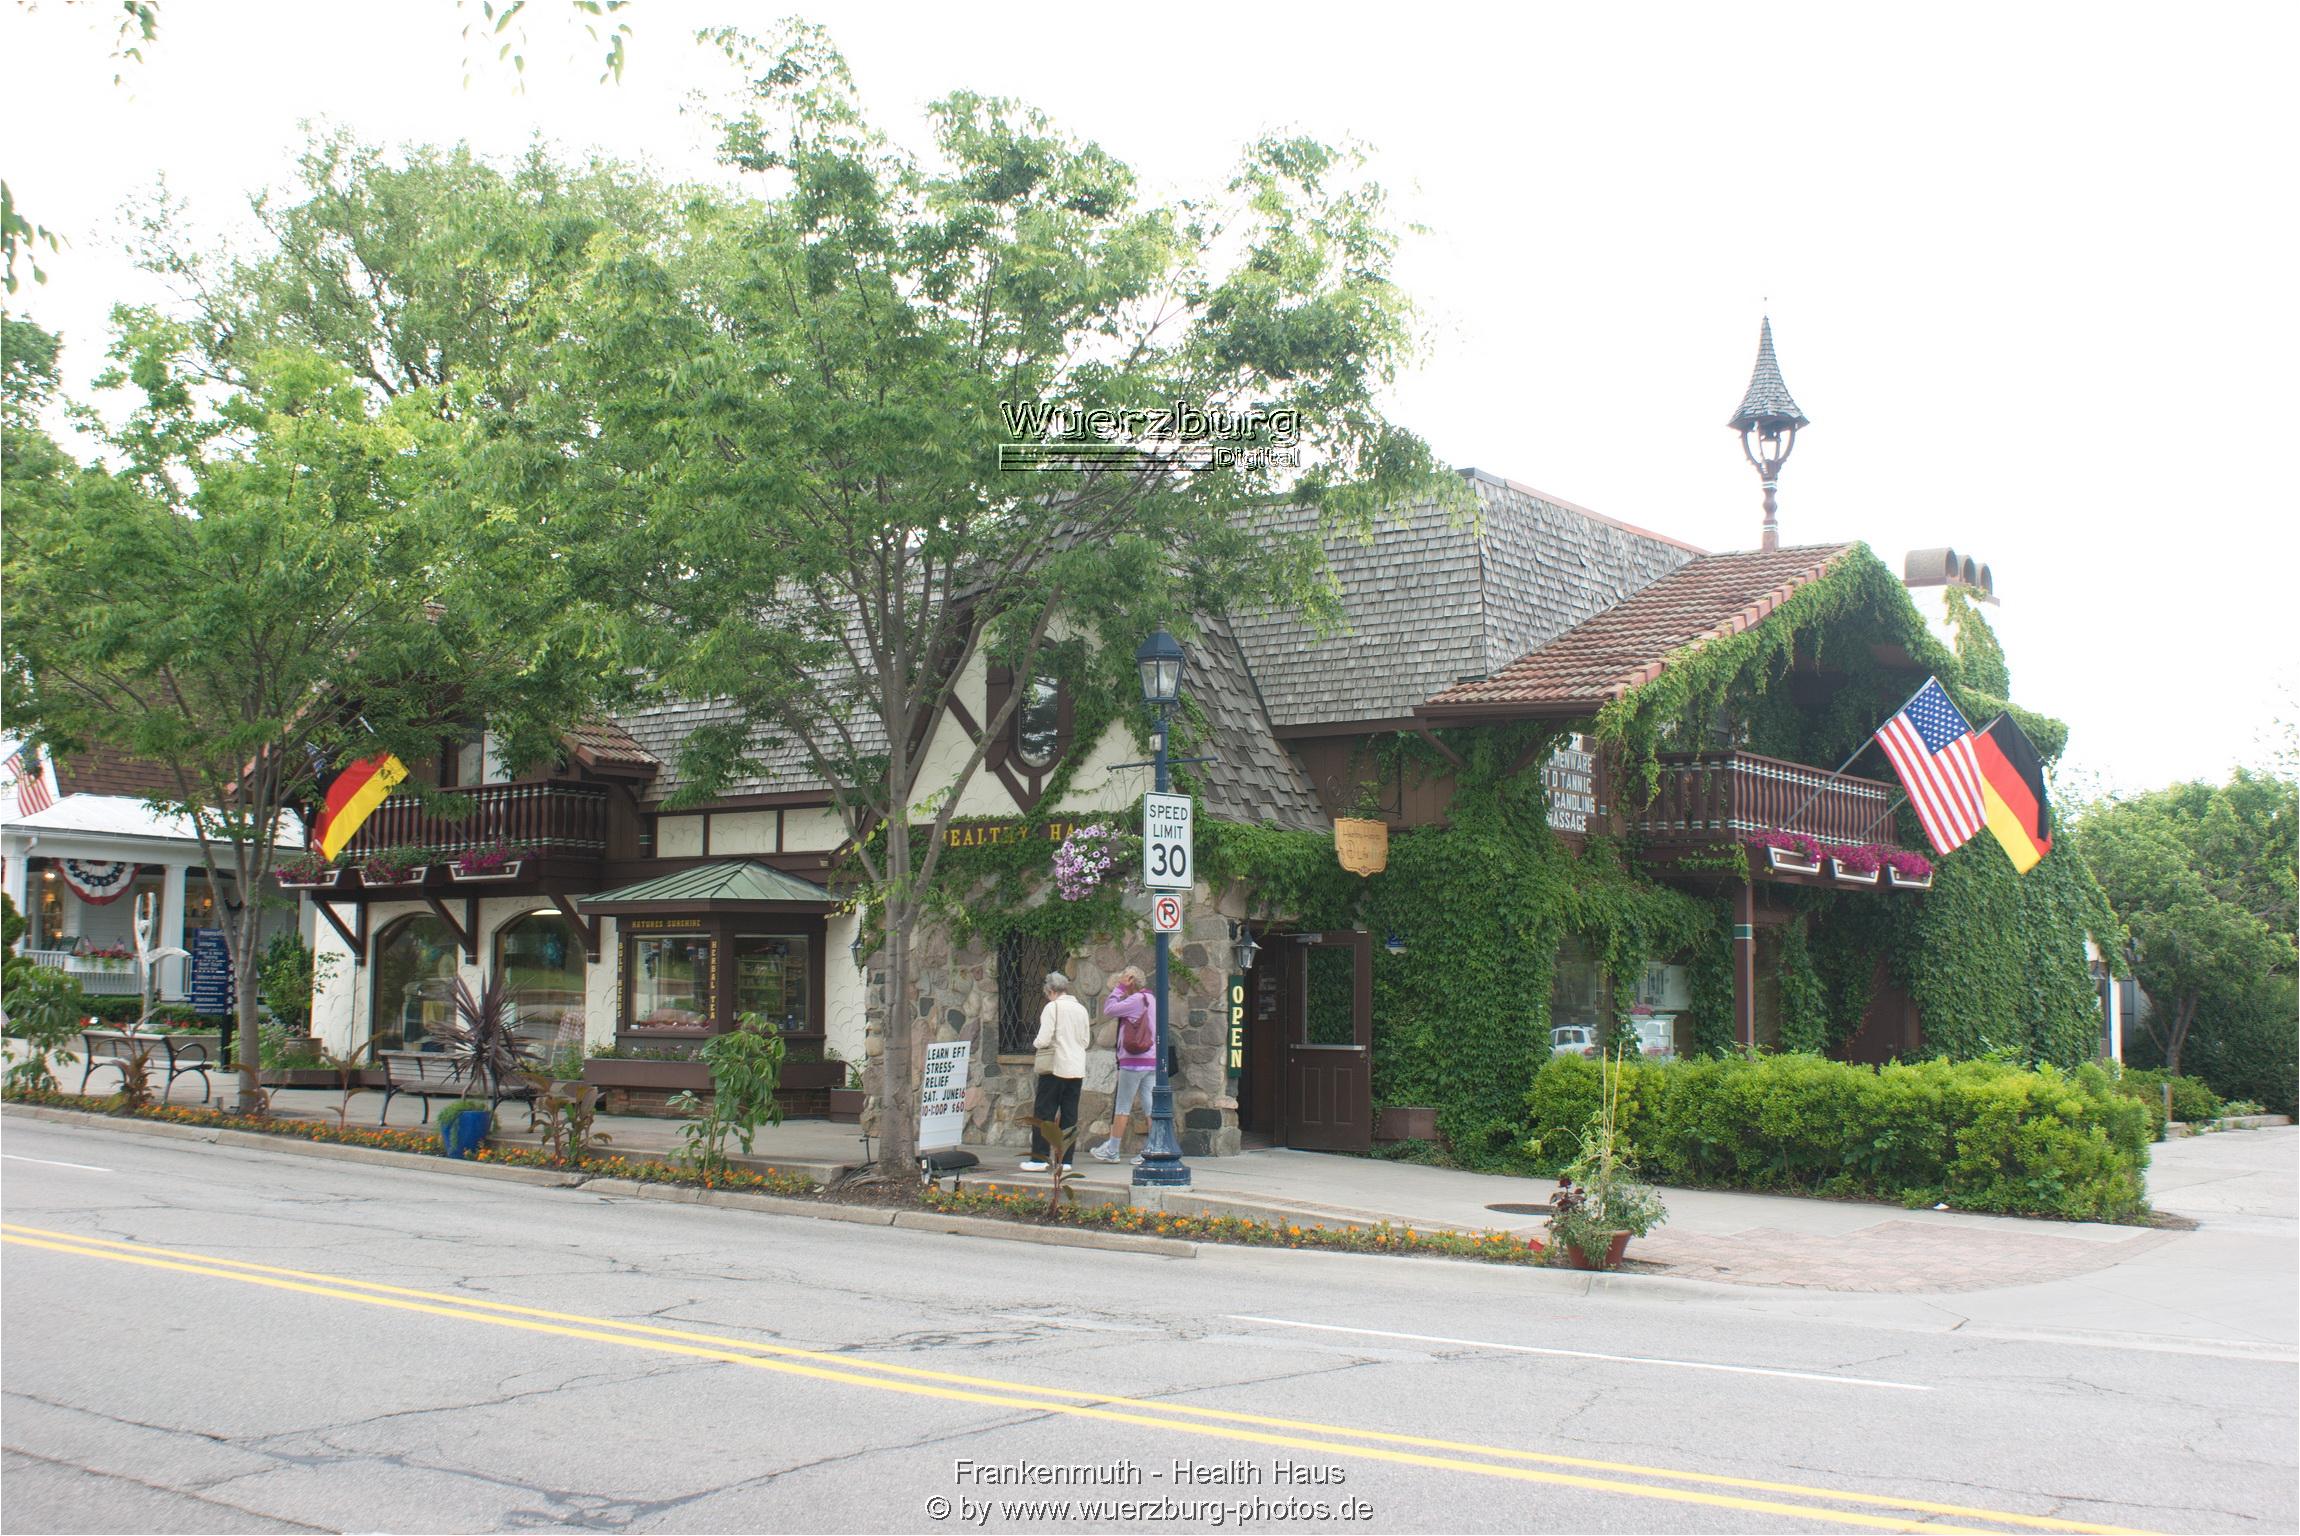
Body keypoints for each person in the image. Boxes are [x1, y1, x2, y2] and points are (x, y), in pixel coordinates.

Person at [1020, 970, 1089, 1172]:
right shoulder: (1081, 1009)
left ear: (1050, 990)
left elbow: (1043, 1038)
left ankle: (1039, 1158)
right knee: (1069, 1115)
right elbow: (1086, 1041)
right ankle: (1065, 1160)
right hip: (1076, 1067)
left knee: (1044, 1113)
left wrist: (1035, 1043)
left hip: (1055, 1067)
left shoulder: (1053, 1007)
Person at [1092, 966, 1157, 1163]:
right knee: (1150, 1107)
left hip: (1133, 1060)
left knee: (1122, 1106)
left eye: (1123, 978)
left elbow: (1109, 1009)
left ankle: (1112, 1150)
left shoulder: (1135, 1000)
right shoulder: (1152, 999)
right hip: (1151, 1059)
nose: (1120, 982)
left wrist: (1120, 988)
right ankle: (1154, 1149)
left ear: (1130, 980)